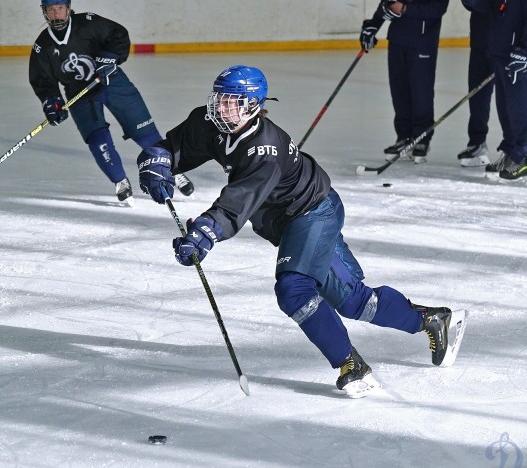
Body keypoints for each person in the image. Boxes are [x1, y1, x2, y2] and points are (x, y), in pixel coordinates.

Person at [136, 65, 467, 398]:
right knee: (353, 301)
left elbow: (236, 204)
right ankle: (432, 320)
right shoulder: (208, 123)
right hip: (289, 222)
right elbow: (173, 148)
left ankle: (351, 365)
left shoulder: (263, 148)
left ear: (252, 105)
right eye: (219, 98)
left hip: (314, 213)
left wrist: (204, 232)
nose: (221, 107)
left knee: (294, 289)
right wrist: (157, 162)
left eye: (232, 101)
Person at [28, 0, 194, 206]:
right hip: (79, 93)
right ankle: (120, 181)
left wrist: (109, 58)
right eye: (50, 10)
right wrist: (51, 102)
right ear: (44, 12)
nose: (56, 14)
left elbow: (118, 35)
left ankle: (174, 172)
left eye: (59, 8)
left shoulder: (89, 23)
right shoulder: (42, 45)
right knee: (97, 139)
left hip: (112, 82)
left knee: (145, 132)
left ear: (68, 8)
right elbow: (42, 80)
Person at [360, 0, 449, 165]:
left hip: (423, 42)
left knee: (421, 92)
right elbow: (389, 2)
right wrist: (373, 25)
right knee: (399, 91)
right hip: (398, 39)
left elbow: (438, 8)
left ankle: (421, 138)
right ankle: (404, 137)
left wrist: (406, 8)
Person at [463, 0, 527, 180]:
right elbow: (488, 6)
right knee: (505, 108)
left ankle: (523, 155)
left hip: (517, 52)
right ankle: (511, 152)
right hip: (500, 49)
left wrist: (524, 51)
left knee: (519, 108)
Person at [457, 8, 494, 167]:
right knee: (477, 94)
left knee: (510, 100)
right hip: (481, 39)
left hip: (510, 43)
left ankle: (516, 149)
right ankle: (477, 142)